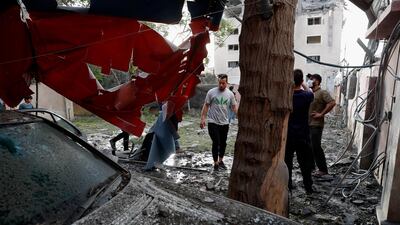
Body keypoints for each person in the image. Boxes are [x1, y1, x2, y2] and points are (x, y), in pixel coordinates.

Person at [285, 69, 315, 194]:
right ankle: (308, 187)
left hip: (288, 135)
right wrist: (303, 83)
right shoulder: (307, 96)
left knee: (287, 162)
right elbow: (309, 90)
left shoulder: (286, 97)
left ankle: (288, 186)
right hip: (303, 135)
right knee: (305, 163)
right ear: (302, 80)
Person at [200, 74, 237, 171]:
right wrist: (203, 118)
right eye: (219, 83)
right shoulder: (211, 92)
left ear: (227, 83)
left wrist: (240, 117)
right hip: (213, 122)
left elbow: (234, 107)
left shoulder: (230, 94)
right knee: (216, 142)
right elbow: (206, 105)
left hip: (224, 122)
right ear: (218, 82)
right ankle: (215, 163)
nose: (221, 85)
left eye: (223, 83)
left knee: (223, 143)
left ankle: (221, 161)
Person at [309, 74, 336, 176]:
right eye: (309, 79)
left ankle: (323, 169)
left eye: (312, 79)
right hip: (308, 124)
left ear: (318, 81)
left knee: (316, 147)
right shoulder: (310, 93)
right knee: (309, 147)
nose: (310, 81)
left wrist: (321, 114)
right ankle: (311, 168)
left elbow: (332, 103)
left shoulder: (322, 92)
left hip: (316, 124)